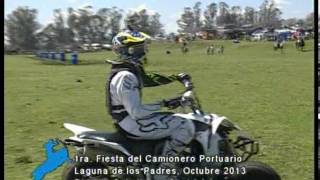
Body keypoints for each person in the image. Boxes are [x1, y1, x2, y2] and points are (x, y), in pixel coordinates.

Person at [106, 17, 195, 179]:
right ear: (129, 51)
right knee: (185, 125)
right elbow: (137, 112)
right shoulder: (125, 76)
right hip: (131, 122)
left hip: (128, 120)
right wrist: (165, 103)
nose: (145, 52)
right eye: (140, 48)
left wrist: (175, 77)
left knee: (175, 119)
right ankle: (163, 172)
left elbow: (147, 79)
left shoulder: (128, 71)